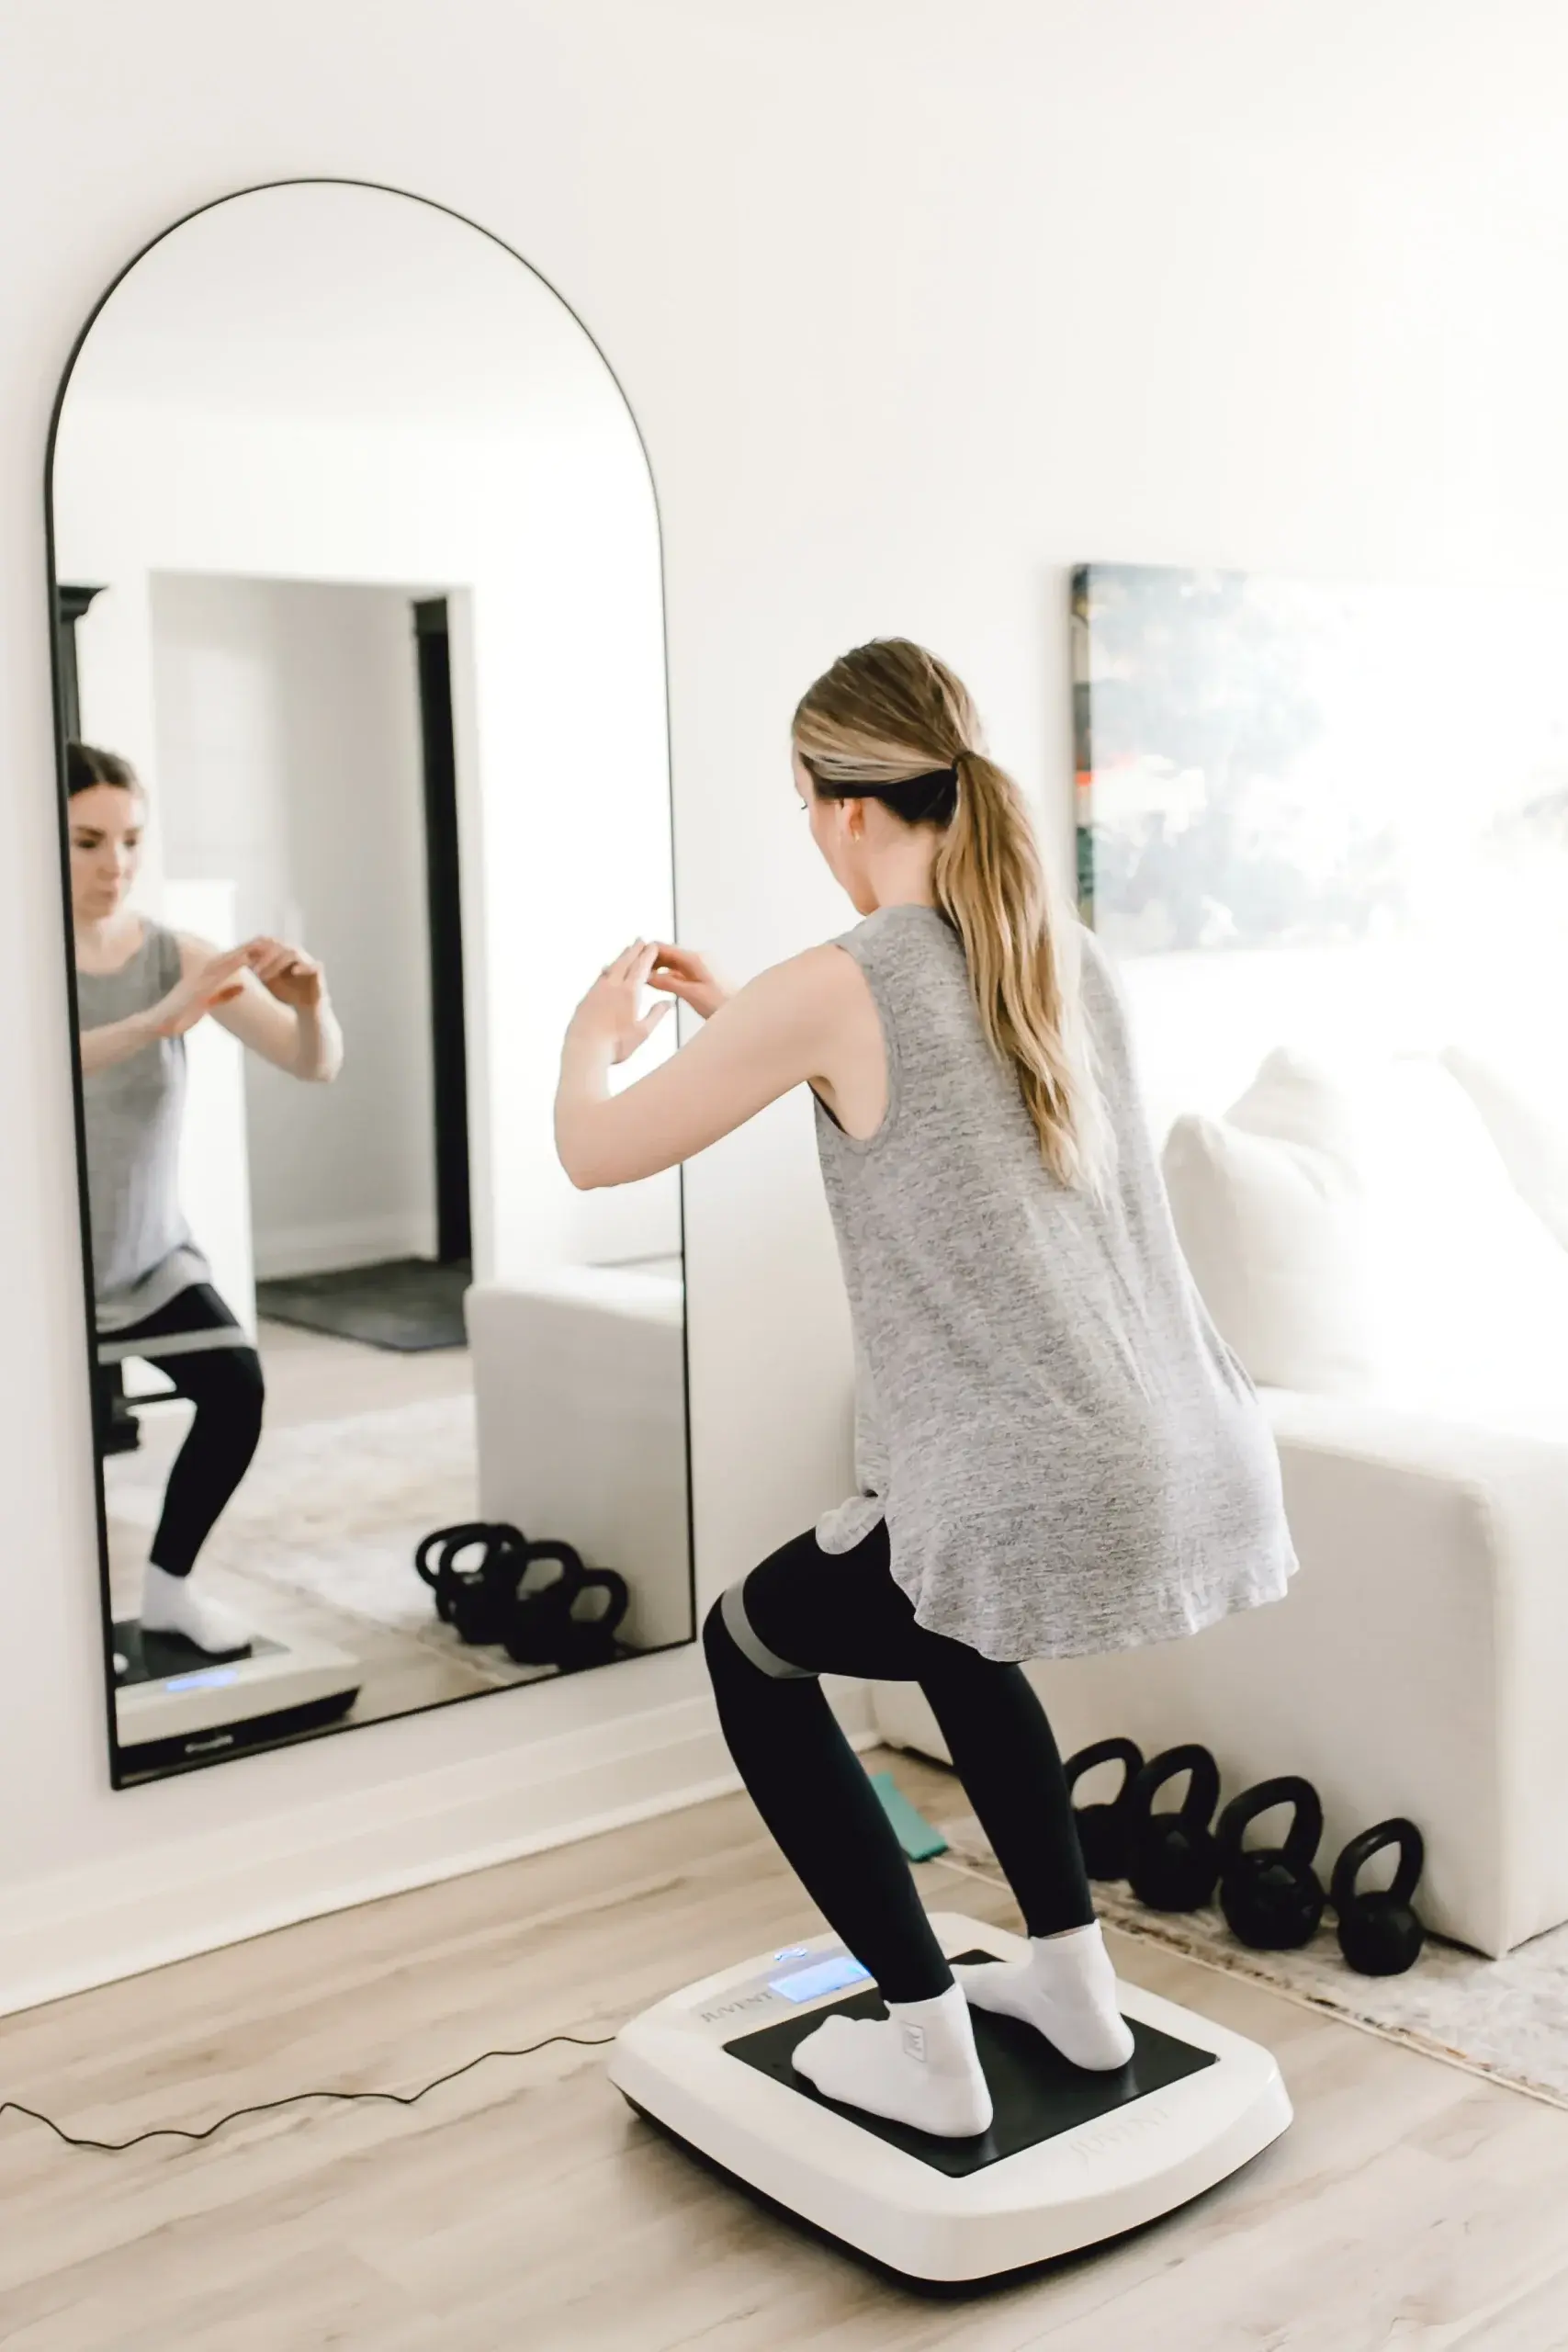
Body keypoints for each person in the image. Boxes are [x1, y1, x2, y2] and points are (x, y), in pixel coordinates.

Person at [554, 639, 1295, 2139]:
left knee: (749, 1648)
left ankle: (923, 2037)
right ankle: (1073, 1986)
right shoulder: (1060, 950)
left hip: (1032, 1477)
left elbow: (595, 1150)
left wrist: (591, 1042)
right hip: (1194, 1450)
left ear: (835, 808)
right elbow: (947, 1117)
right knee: (956, 1627)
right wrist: (756, 1022)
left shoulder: (844, 979)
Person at [69, 741, 344, 1655]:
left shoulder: (173, 955)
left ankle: (167, 1591)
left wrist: (311, 1003)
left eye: (132, 840)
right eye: (87, 842)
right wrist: (158, 1018)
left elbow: (313, 1065)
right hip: (45, 1277)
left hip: (147, 1259)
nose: (116, 865)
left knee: (235, 1388)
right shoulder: (23, 963)